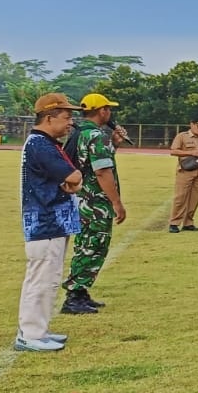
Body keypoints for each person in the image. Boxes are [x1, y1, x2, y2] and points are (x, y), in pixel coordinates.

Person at [16, 93, 83, 351]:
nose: (70, 124)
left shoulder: (46, 143)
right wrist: (71, 181)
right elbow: (74, 175)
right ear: (48, 117)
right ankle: (31, 334)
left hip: (52, 222)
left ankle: (38, 330)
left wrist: (70, 182)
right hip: (45, 222)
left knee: (49, 278)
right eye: (66, 117)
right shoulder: (40, 145)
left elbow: (71, 180)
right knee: (41, 279)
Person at [61, 93, 127, 313]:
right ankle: (74, 295)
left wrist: (115, 144)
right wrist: (117, 203)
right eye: (108, 109)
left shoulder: (80, 133)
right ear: (102, 111)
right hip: (95, 202)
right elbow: (101, 171)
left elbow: (91, 163)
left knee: (87, 245)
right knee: (92, 247)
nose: (110, 113)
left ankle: (80, 292)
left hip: (83, 200)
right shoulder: (97, 135)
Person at [168, 115, 198, 232]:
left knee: (195, 198)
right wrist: (190, 153)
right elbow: (173, 151)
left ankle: (188, 222)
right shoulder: (182, 136)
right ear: (192, 124)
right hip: (186, 171)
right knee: (180, 197)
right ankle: (174, 223)